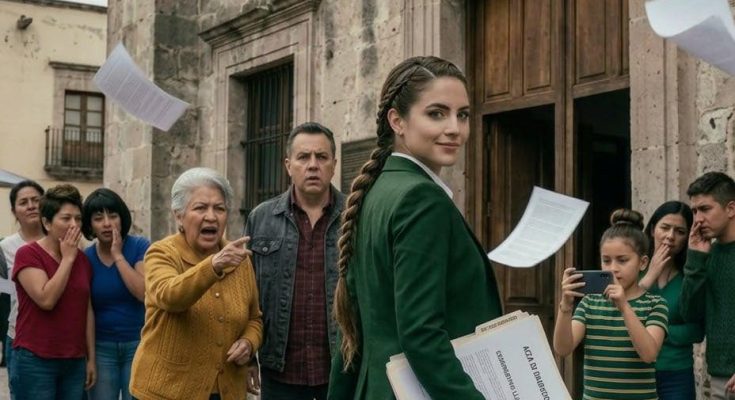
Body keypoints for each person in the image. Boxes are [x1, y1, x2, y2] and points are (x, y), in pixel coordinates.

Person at [328, 56, 503, 399]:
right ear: (397, 120)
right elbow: (421, 335)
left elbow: (351, 332)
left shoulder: (375, 190)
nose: (454, 128)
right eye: (436, 113)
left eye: (463, 115)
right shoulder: (421, 199)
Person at [129, 167, 263, 400]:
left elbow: (255, 319)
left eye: (219, 208)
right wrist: (213, 266)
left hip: (226, 390)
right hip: (166, 392)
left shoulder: (239, 259)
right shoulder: (162, 253)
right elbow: (170, 296)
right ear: (179, 216)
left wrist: (249, 343)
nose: (211, 216)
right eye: (200, 208)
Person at [245, 122, 346, 400]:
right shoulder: (261, 218)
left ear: (334, 165)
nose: (313, 165)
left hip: (342, 371)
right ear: (288, 165)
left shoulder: (357, 216)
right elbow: (245, 296)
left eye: (321, 157)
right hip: (280, 373)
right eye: (303, 157)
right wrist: (248, 357)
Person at [554, 209, 669, 400]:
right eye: (606, 261)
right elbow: (563, 348)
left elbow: (649, 354)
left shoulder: (655, 304)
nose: (613, 268)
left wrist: (624, 307)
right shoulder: (590, 302)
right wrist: (565, 306)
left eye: (622, 260)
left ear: (643, 263)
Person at [10, 184, 95, 399]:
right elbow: (46, 299)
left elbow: (87, 309)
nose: (74, 225)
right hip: (35, 359)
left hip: (74, 361)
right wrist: (67, 259)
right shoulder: (28, 254)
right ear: (47, 223)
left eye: (78, 218)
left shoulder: (83, 260)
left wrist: (91, 358)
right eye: (66, 219)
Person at [81, 188, 149, 400]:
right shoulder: (86, 258)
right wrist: (90, 358)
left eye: (113, 216)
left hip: (138, 344)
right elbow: (87, 310)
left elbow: (143, 293)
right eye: (98, 218)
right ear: (90, 225)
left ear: (122, 218)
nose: (107, 224)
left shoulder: (140, 246)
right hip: (102, 348)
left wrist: (118, 256)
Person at [638, 201, 702, 399]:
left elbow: (697, 331)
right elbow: (620, 316)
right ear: (652, 230)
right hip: (635, 371)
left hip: (677, 374)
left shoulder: (690, 276)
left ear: (687, 237)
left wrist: (655, 331)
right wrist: (651, 274)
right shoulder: (632, 270)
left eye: (680, 231)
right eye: (665, 228)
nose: (670, 236)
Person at [680, 171, 735, 400]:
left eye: (705, 209)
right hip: (719, 380)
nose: (698, 219)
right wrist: (695, 259)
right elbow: (690, 314)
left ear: (731, 209)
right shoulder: (706, 256)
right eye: (694, 211)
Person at [0, 179, 45, 395]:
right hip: (20, 336)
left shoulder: (62, 240)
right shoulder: (4, 248)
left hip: (62, 335)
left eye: (36, 200)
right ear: (14, 211)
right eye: (23, 202)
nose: (31, 206)